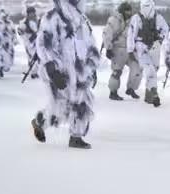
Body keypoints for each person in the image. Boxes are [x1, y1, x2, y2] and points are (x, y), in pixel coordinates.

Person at [30, 0, 100, 149]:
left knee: (82, 103)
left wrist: (91, 68)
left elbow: (90, 44)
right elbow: (43, 44)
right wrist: (53, 70)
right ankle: (40, 122)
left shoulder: (82, 19)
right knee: (60, 107)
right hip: (61, 70)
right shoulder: (52, 18)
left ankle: (76, 136)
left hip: (80, 71)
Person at [127, 0, 168, 107]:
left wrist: (160, 40)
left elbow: (165, 30)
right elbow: (131, 34)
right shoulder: (136, 18)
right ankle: (154, 94)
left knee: (154, 69)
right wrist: (130, 50)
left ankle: (148, 95)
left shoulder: (158, 17)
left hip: (154, 47)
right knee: (150, 71)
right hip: (142, 48)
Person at [103, 1, 141, 101]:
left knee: (137, 68)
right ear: (122, 11)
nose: (129, 12)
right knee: (117, 72)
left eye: (130, 11)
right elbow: (107, 33)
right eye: (127, 11)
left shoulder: (133, 21)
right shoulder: (114, 20)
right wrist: (108, 48)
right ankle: (113, 92)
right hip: (117, 49)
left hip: (130, 50)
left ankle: (131, 88)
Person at [17, 6, 39, 80]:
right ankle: (33, 72)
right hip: (29, 42)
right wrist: (21, 32)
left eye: (33, 13)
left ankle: (36, 71)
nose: (32, 14)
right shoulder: (24, 22)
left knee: (39, 56)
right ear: (28, 14)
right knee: (32, 56)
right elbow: (20, 31)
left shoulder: (38, 20)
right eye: (30, 13)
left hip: (38, 41)